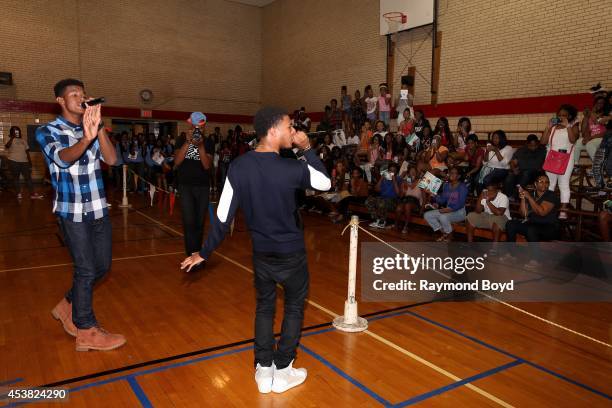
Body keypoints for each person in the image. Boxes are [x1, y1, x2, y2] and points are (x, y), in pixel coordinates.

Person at [180, 107, 331, 394]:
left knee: (264, 307)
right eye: (288, 126)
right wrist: (307, 148)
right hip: (292, 254)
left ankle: (264, 369)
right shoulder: (292, 167)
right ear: (273, 130)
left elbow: (223, 217)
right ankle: (283, 369)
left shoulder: (239, 166)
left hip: (262, 255)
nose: (293, 131)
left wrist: (204, 252)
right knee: (294, 308)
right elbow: (325, 182)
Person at [36, 78, 124, 351]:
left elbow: (112, 160)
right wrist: (86, 137)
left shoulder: (92, 129)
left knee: (102, 267)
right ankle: (85, 329)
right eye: (74, 94)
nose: (80, 97)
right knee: (85, 270)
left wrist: (97, 130)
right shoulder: (47, 131)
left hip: (98, 208)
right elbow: (62, 158)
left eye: (83, 93)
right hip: (71, 212)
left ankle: (67, 304)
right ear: (60, 101)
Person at [174, 112, 215, 258]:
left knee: (199, 223)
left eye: (200, 126)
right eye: (195, 126)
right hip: (185, 185)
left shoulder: (208, 142)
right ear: (190, 125)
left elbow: (206, 165)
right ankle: (190, 254)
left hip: (202, 186)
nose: (198, 129)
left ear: (204, 126)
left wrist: (200, 145)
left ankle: (198, 255)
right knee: (188, 222)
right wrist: (188, 141)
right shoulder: (181, 139)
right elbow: (177, 162)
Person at [540, 105, 579, 219]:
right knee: (550, 184)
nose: (561, 117)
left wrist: (568, 126)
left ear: (569, 116)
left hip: (566, 158)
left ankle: (563, 211)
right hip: (552, 157)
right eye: (559, 115)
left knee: (564, 184)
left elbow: (573, 140)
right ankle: (547, 208)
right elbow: (543, 142)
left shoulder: (573, 126)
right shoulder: (553, 127)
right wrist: (548, 127)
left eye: (564, 115)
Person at [505, 174, 559, 242]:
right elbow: (524, 214)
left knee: (531, 230)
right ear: (535, 184)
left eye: (546, 182)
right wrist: (523, 199)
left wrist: (529, 198)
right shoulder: (531, 194)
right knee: (510, 224)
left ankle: (534, 252)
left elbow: (542, 212)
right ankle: (511, 251)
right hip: (533, 224)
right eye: (541, 181)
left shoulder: (551, 195)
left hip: (548, 227)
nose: (544, 184)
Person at [423, 167, 468, 242]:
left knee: (443, 217)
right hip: (447, 211)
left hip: (459, 212)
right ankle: (445, 232)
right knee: (427, 215)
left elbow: (461, 204)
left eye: (454, 173)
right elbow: (442, 200)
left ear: (459, 176)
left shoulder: (462, 187)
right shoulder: (447, 186)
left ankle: (449, 236)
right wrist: (432, 194)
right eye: (451, 172)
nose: (451, 174)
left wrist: (449, 209)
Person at [5, 126, 43, 200]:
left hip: (24, 161)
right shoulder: (9, 139)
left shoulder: (23, 140)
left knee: (28, 178)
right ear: (11, 132)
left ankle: (32, 194)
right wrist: (12, 138)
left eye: (18, 131)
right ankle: (18, 193)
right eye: (15, 131)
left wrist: (30, 162)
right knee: (16, 178)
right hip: (13, 161)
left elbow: (27, 152)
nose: (17, 132)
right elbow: (7, 146)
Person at [503, 134, 546, 199]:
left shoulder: (542, 150)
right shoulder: (521, 150)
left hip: (536, 174)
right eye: (531, 146)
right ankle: (508, 196)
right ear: (527, 144)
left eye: (535, 145)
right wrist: (514, 169)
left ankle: (516, 195)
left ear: (538, 143)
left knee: (526, 173)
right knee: (510, 177)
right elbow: (513, 162)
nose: (533, 147)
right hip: (521, 172)